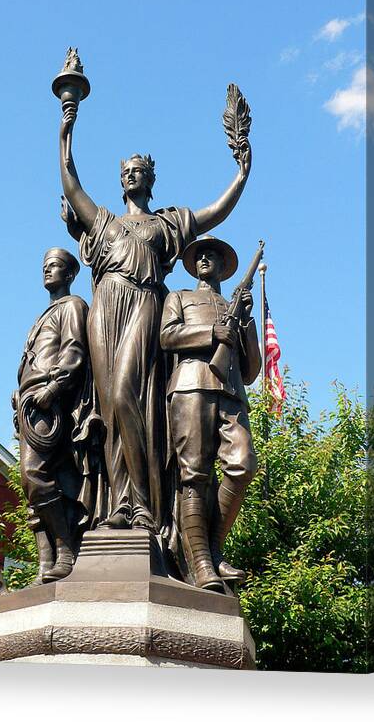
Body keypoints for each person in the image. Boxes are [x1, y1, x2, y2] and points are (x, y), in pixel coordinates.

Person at [58, 101, 252, 535]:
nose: (132, 175)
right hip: (104, 310)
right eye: (126, 171)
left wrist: (241, 175)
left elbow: (214, 213)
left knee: (131, 393)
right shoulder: (103, 222)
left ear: (150, 180)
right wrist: (65, 126)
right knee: (109, 407)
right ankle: (119, 506)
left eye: (139, 171)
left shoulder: (166, 224)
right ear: (121, 179)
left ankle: (145, 504)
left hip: (144, 305)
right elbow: (70, 184)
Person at [160, 236, 261, 592]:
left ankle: (214, 549)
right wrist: (211, 332)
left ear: (223, 266)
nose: (205, 258)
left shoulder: (233, 306)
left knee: (243, 464)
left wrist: (245, 324)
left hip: (231, 393)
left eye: (212, 255)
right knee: (195, 475)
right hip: (190, 386)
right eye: (199, 255)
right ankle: (200, 563)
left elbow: (251, 370)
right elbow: (167, 337)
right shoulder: (180, 298)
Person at [14, 248, 93, 583]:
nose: (48, 271)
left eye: (56, 266)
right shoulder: (43, 314)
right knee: (33, 488)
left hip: (50, 400)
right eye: (45, 266)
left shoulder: (72, 307)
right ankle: (45, 563)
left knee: (34, 474)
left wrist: (53, 389)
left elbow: (74, 350)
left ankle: (65, 549)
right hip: (29, 401)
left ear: (70, 274)